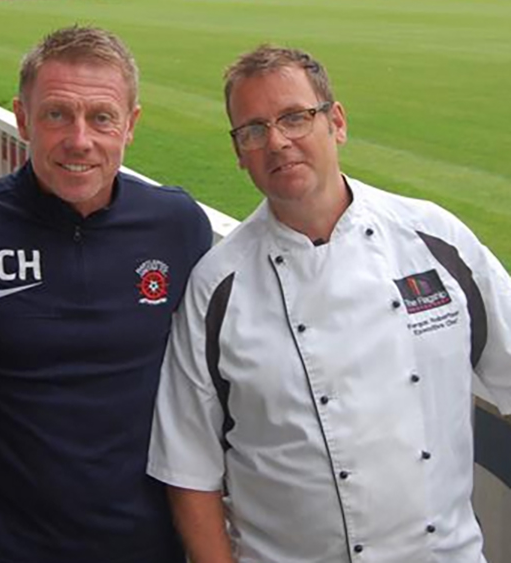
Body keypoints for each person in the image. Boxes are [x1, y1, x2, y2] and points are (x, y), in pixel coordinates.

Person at [147, 43, 511, 563]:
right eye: (253, 130)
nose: (277, 142)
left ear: (335, 121)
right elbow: (188, 472)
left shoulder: (435, 239)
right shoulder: (217, 285)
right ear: (238, 152)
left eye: (294, 117)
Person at [0, 25, 213, 563]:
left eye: (102, 117)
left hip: (144, 546)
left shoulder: (178, 226)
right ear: (22, 118)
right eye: (57, 114)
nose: (80, 140)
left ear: (131, 126)